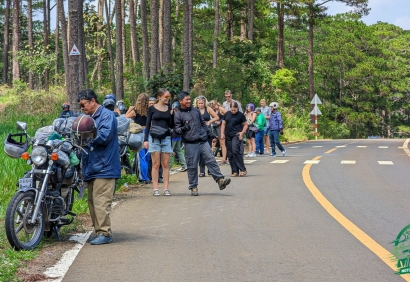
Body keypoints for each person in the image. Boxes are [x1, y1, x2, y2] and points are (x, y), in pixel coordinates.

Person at [77, 89, 121, 245]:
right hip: (92, 166)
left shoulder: (107, 116)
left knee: (101, 201)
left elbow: (104, 136)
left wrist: (85, 134)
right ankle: (98, 231)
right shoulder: (87, 117)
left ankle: (105, 233)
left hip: (105, 166)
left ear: (92, 101)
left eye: (84, 105)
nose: (82, 109)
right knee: (92, 202)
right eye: (81, 106)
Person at [174, 91, 231, 196]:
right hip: (190, 143)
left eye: (189, 99)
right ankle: (193, 186)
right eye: (186, 99)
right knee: (192, 165)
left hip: (203, 141)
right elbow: (176, 129)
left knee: (211, 160)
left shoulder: (195, 111)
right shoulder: (178, 113)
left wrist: (211, 134)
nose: (189, 101)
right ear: (180, 101)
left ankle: (220, 180)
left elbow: (203, 124)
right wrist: (183, 128)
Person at [144, 89, 173, 196]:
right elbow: (147, 124)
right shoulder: (152, 108)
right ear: (160, 96)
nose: (168, 99)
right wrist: (145, 139)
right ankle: (155, 188)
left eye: (168, 97)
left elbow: (171, 125)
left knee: (165, 164)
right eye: (166, 97)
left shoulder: (169, 108)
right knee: (156, 164)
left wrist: (172, 115)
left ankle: (166, 188)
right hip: (154, 138)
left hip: (166, 137)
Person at [125, 93, 151, 184]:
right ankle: (147, 177)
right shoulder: (150, 111)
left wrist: (129, 109)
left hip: (139, 134)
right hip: (149, 133)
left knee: (141, 157)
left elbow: (125, 118)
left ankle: (143, 177)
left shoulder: (135, 111)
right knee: (147, 156)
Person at [221, 101, 248, 177]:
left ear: (237, 108)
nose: (233, 111)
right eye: (232, 110)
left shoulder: (240, 115)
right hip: (228, 135)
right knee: (230, 153)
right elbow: (223, 124)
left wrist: (242, 133)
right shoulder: (227, 114)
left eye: (235, 110)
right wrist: (222, 133)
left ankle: (243, 169)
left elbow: (245, 125)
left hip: (236, 134)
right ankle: (234, 171)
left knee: (235, 150)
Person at [194, 96, 219, 177]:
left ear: (204, 103)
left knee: (208, 152)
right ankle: (202, 171)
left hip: (207, 132)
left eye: (202, 103)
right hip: (198, 133)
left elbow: (216, 117)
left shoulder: (208, 109)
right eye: (199, 103)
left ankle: (210, 170)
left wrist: (209, 121)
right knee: (200, 153)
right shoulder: (194, 110)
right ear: (197, 103)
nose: (200, 105)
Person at [169, 101, 187, 172]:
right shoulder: (181, 114)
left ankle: (169, 167)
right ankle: (184, 165)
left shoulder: (175, 114)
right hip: (178, 135)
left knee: (170, 151)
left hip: (174, 135)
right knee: (179, 151)